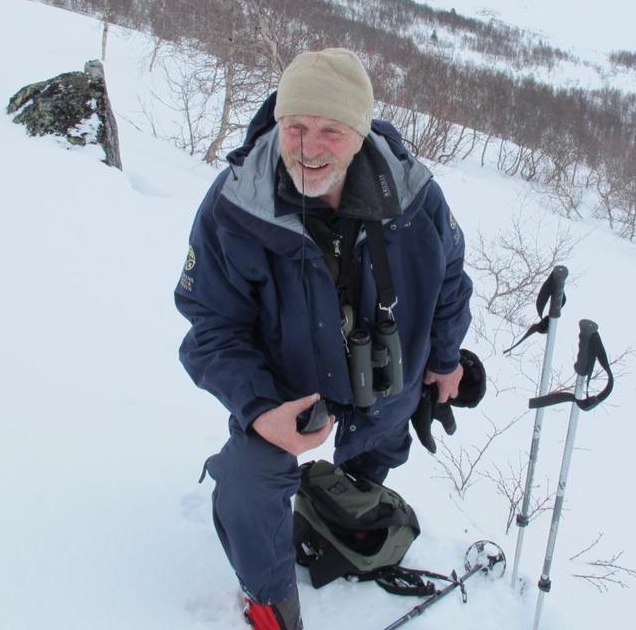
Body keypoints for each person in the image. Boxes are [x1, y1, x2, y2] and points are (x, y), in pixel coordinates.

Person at [174, 48, 473, 630]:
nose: (309, 148)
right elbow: (210, 324)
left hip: (386, 385)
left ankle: (338, 509)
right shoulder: (237, 204)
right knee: (249, 481)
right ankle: (270, 600)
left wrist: (444, 358)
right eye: (297, 127)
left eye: (330, 131)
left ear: (359, 134)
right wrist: (260, 409)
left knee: (376, 456)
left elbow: (449, 280)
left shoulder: (414, 194)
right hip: (288, 394)